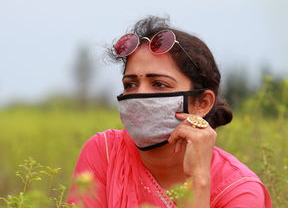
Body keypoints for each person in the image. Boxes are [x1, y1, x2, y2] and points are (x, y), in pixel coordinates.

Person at [67, 16, 272, 208]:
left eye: (159, 84)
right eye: (130, 84)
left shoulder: (239, 190)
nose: (139, 95)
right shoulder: (105, 152)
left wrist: (199, 180)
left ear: (202, 103)